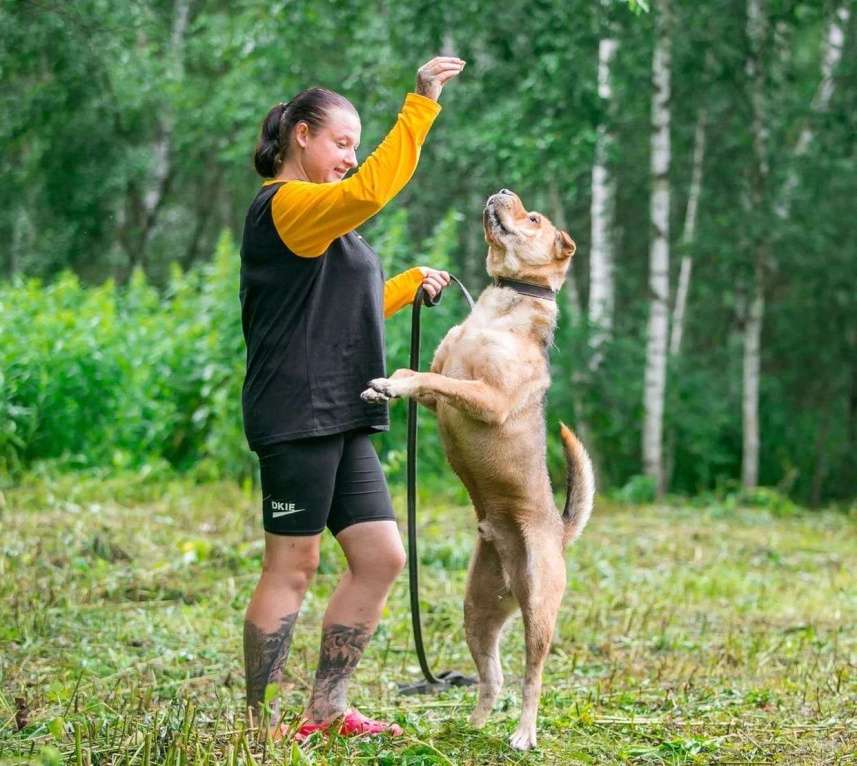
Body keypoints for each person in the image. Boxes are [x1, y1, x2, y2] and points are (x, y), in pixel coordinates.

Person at [239, 56, 465, 742]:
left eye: (356, 146)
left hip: (343, 406)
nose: (350, 156)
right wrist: (419, 105)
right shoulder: (285, 206)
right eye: (341, 142)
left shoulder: (319, 219)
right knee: (293, 562)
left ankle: (327, 711)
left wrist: (406, 284)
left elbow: (347, 299)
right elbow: (370, 193)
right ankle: (260, 726)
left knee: (379, 558)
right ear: (300, 136)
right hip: (295, 409)